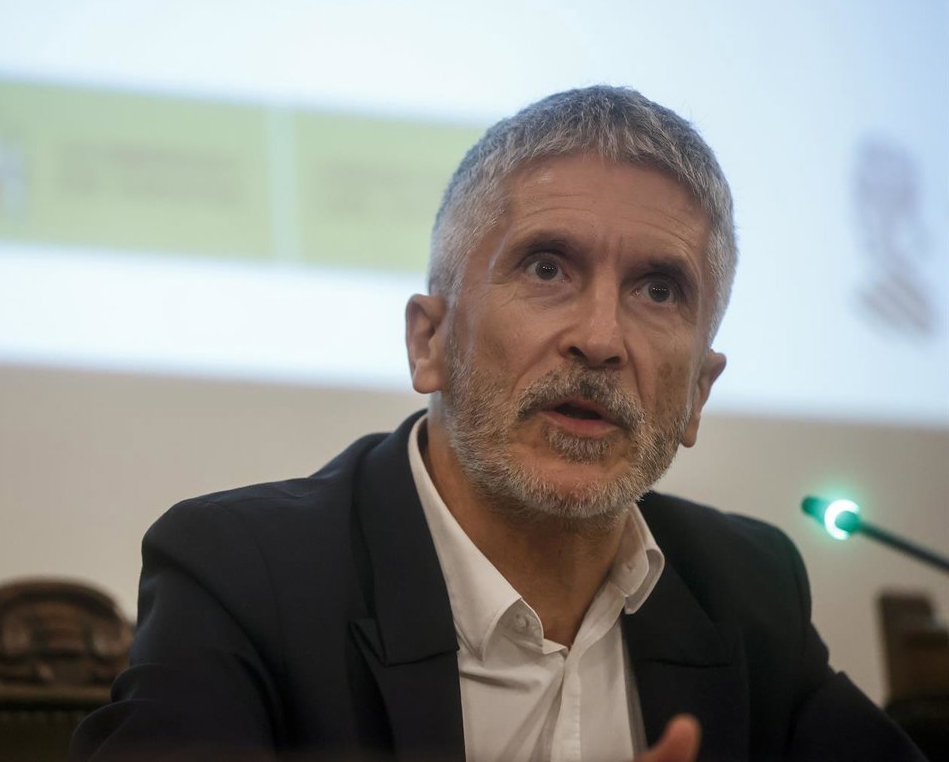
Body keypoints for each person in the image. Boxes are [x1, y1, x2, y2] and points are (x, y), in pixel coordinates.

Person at [71, 87, 925, 762]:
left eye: (659, 289)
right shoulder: (244, 575)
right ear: (429, 342)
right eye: (547, 268)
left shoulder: (744, 589)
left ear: (699, 391)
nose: (600, 338)